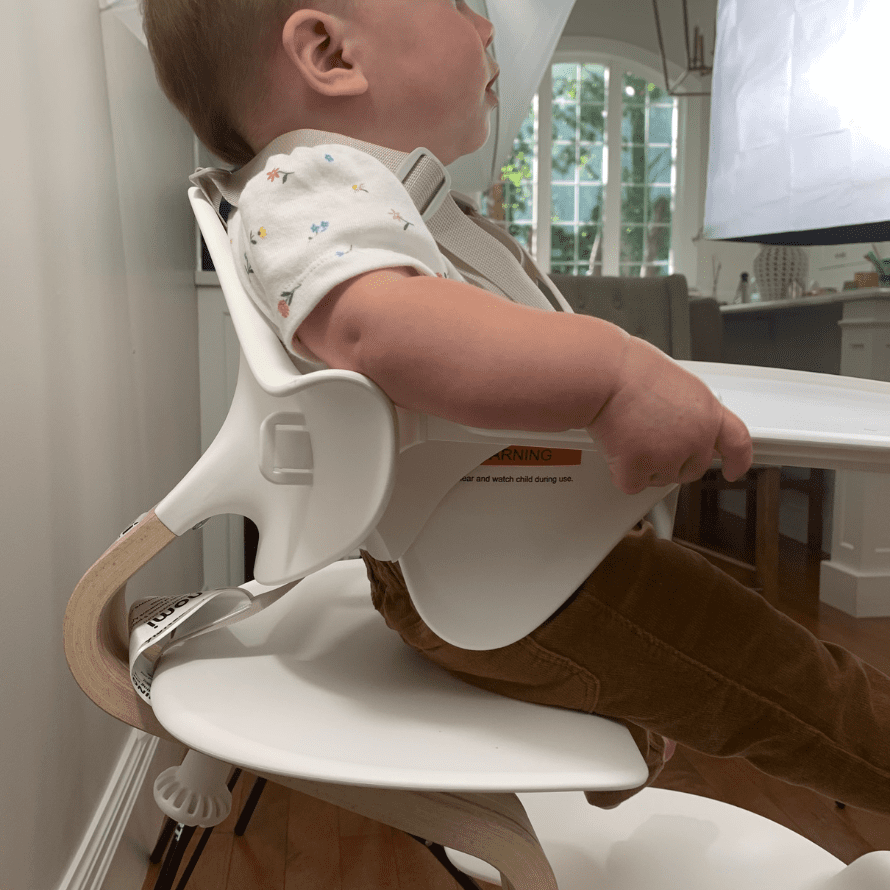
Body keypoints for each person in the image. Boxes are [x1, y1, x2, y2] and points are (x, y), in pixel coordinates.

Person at [143, 0, 890, 815]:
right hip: (514, 579)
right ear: (328, 51)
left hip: (518, 557)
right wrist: (614, 372)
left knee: (740, 657)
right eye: (460, 3)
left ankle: (614, 701)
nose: (488, 26)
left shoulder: (370, 196)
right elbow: (380, 327)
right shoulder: (314, 177)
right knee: (799, 686)